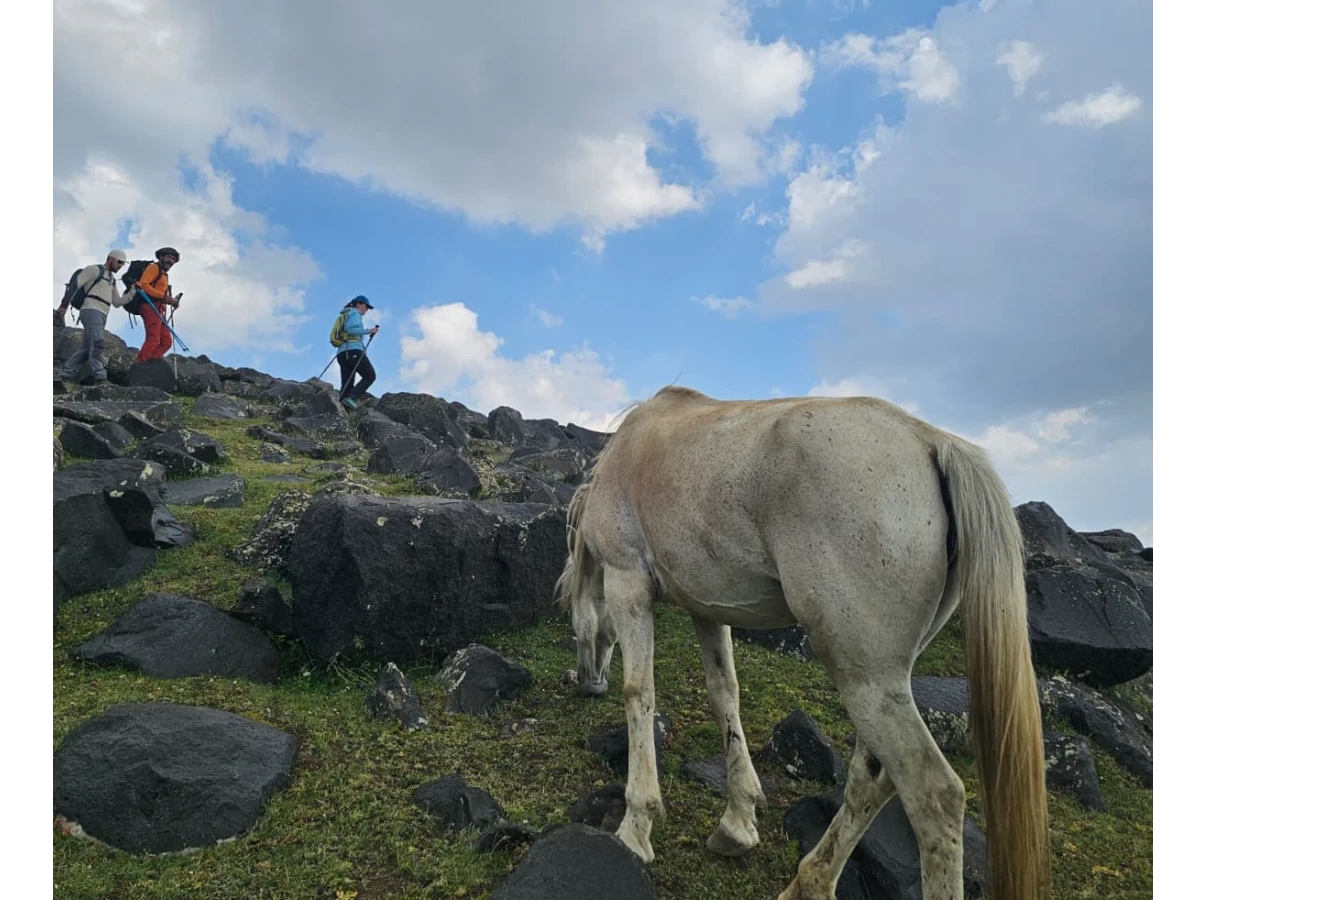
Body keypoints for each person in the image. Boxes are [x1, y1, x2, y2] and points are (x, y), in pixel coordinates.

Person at [56, 249, 129, 385]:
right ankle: (100, 377)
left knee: (86, 347)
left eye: (123, 264)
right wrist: (63, 306)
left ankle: (66, 374)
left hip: (103, 313)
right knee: (97, 343)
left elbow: (117, 302)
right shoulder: (94, 270)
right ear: (110, 258)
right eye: (119, 262)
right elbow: (75, 285)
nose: (121, 266)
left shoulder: (112, 279)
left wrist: (133, 292)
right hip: (91, 309)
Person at [132, 247, 181, 363]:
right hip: (150, 306)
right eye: (169, 257)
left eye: (173, 259)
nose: (171, 261)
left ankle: (150, 363)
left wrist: (171, 301)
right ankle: (140, 365)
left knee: (166, 342)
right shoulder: (154, 267)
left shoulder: (164, 274)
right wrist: (164, 297)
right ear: (161, 257)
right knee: (153, 339)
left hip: (158, 308)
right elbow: (143, 285)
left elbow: (157, 292)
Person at [332, 295, 379, 409]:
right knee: (370, 376)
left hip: (342, 353)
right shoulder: (354, 313)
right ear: (359, 304)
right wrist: (369, 331)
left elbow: (347, 330)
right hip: (353, 350)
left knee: (347, 384)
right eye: (366, 306)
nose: (366, 309)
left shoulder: (345, 314)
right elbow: (350, 329)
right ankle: (352, 398)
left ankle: (341, 410)